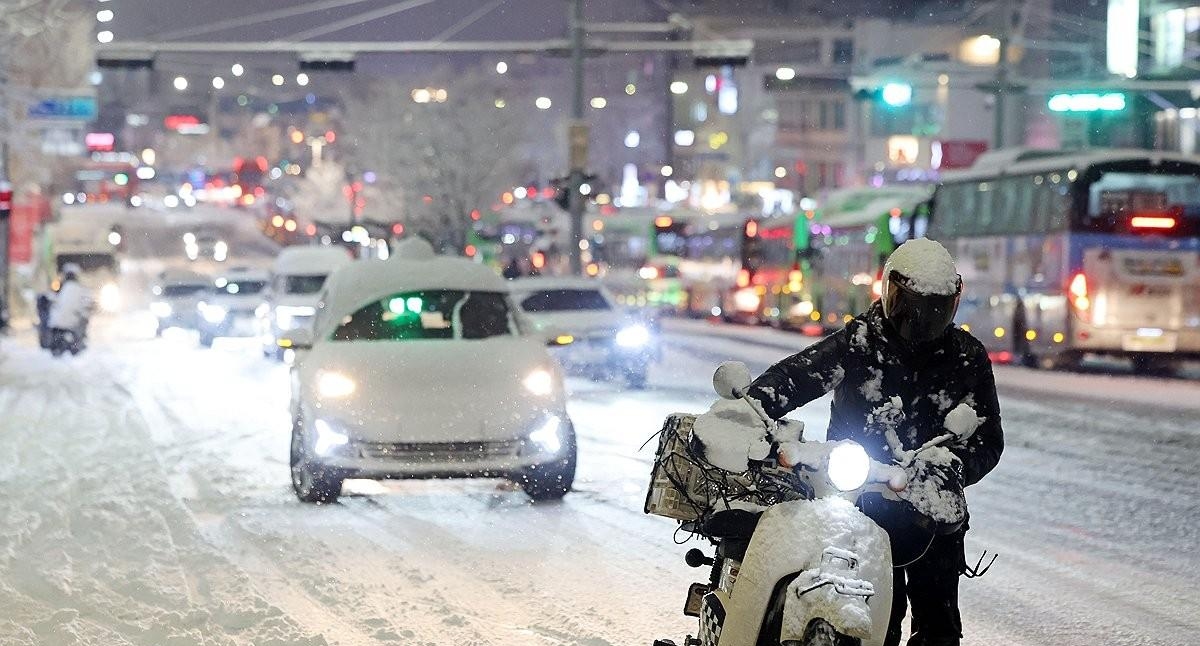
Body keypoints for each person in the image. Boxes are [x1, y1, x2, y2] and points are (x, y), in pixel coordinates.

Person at [744, 238, 1004, 646]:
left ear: (951, 305)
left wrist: (950, 467)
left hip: (929, 509)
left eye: (933, 312)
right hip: (859, 499)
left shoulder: (965, 356)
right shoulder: (861, 340)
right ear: (890, 295)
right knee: (874, 615)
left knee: (939, 626)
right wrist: (754, 406)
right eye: (910, 309)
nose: (919, 322)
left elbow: (988, 438)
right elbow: (799, 375)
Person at [47, 263, 94, 339]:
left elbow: (50, 299)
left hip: (56, 323)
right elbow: (88, 304)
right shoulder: (81, 289)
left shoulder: (60, 288)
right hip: (73, 324)